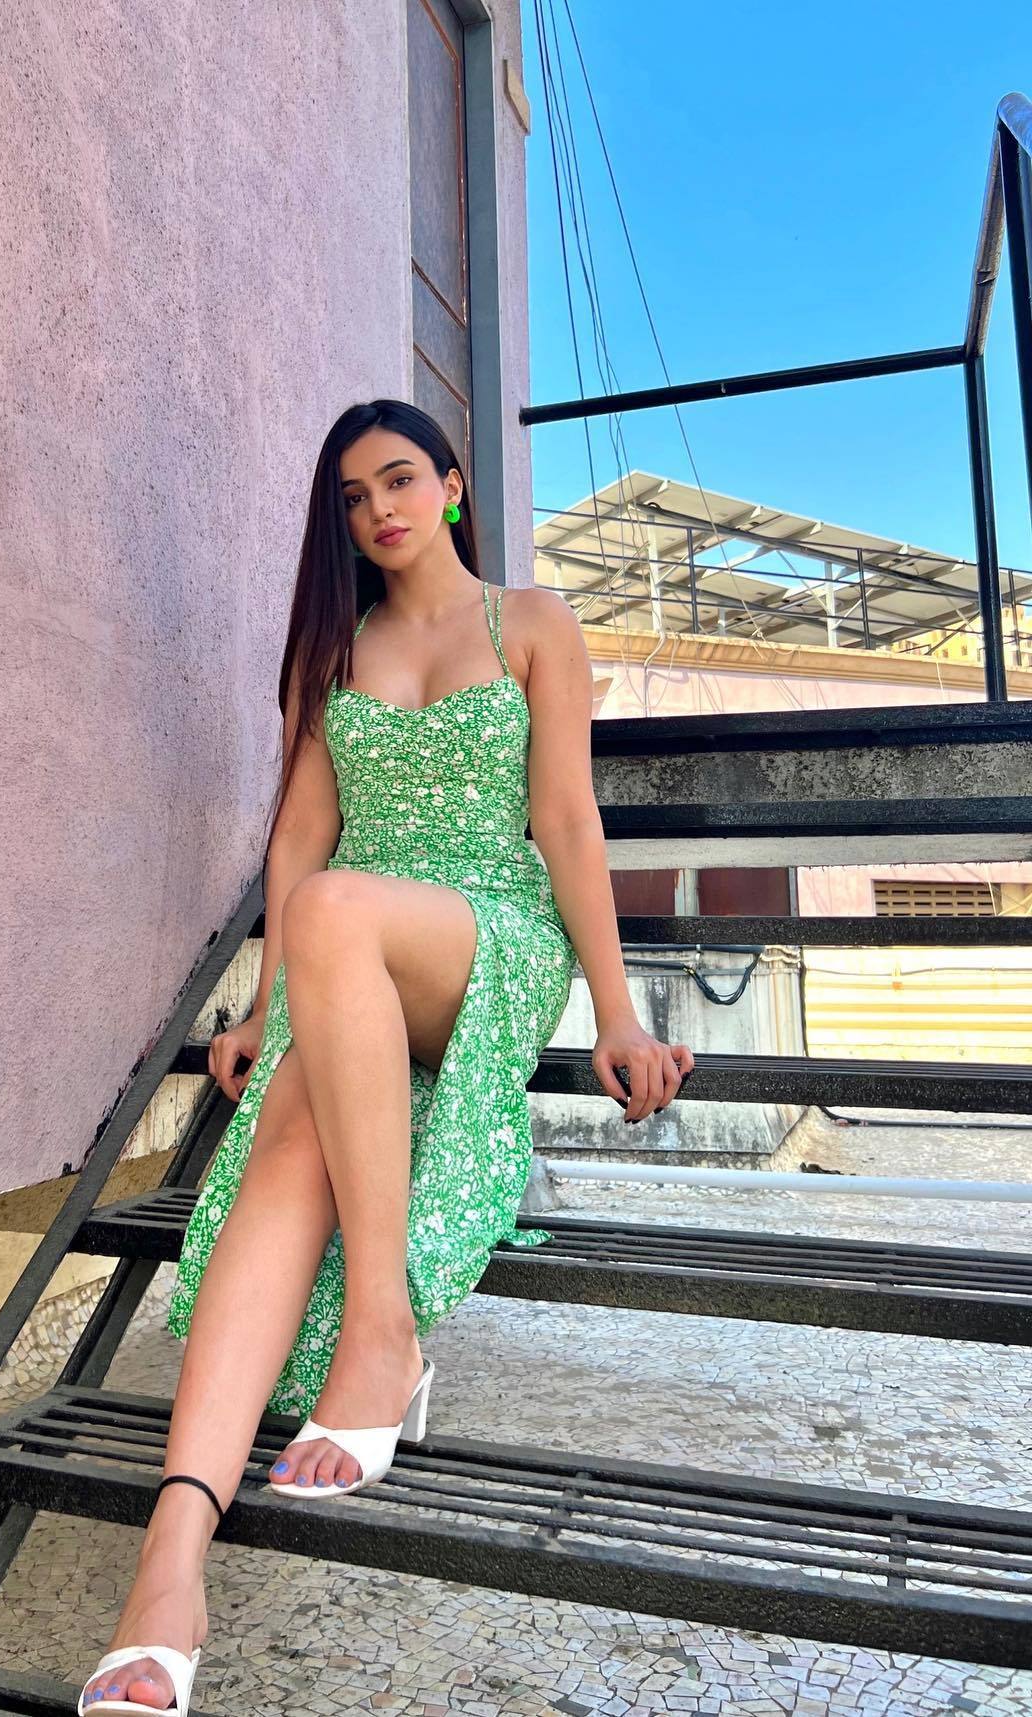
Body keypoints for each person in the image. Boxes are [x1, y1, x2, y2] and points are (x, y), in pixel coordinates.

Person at [76, 399, 695, 1712]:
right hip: (345, 956)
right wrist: (265, 1006)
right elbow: (301, 833)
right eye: (353, 498)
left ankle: (381, 1332)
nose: (378, 511)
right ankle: (167, 1571)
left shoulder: (531, 625)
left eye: (400, 480)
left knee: (338, 905)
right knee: (287, 1137)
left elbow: (567, 821)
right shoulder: (335, 651)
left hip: (488, 937)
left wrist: (617, 1010)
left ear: (453, 486)